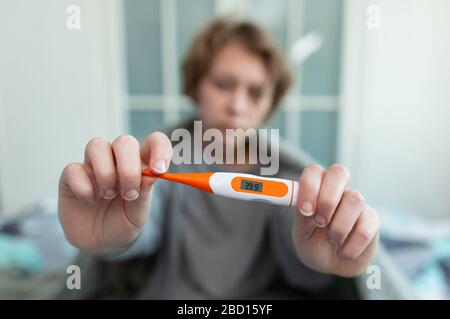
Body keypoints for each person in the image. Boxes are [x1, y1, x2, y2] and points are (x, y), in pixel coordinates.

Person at [57, 18, 380, 299]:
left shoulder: (289, 177)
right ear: (196, 86)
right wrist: (113, 236)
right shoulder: (164, 162)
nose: (238, 105)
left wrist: (318, 262)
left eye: (256, 92)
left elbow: (304, 261)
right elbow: (140, 222)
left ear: (270, 104)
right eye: (224, 84)